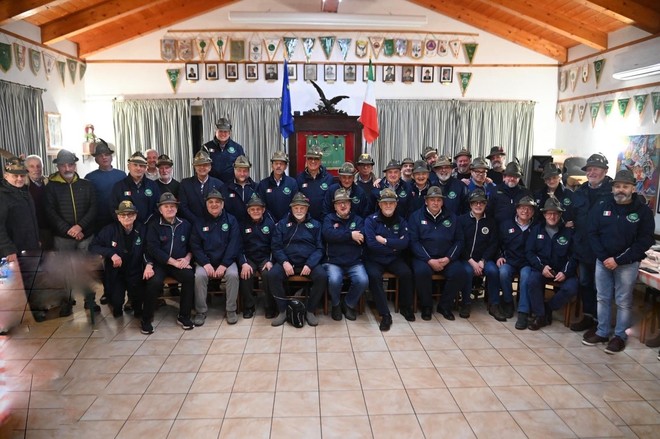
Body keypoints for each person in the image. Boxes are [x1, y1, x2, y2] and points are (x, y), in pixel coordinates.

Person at [583, 170, 654, 354]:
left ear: (633, 188)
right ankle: (602, 331)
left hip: (627, 264)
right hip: (603, 261)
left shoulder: (643, 211)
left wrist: (618, 260)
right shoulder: (602, 205)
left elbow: (645, 241)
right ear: (613, 188)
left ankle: (620, 337)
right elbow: (592, 232)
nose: (620, 190)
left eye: (625, 186)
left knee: (623, 301)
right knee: (602, 297)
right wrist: (605, 257)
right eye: (617, 186)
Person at [269, 193, 327, 327]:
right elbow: (276, 247)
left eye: (302, 208)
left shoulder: (316, 225)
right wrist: (284, 262)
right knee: (272, 275)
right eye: (296, 208)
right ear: (291, 209)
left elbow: (320, 248)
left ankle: (310, 310)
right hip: (288, 262)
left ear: (307, 209)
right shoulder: (282, 224)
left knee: (322, 276)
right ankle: (283, 310)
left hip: (308, 263)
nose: (299, 211)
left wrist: (310, 264)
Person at [570, 153, 613, 332]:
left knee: (601, 289)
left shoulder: (613, 191)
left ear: (605, 171)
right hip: (583, 248)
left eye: (596, 168)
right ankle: (588, 317)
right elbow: (572, 214)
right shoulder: (580, 191)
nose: (592, 172)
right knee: (585, 284)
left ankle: (600, 323)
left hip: (604, 250)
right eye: (589, 169)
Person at [409, 186, 466, 321]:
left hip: (446, 258)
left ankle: (444, 306)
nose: (435, 203)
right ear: (426, 201)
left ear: (442, 202)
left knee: (459, 273)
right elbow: (414, 242)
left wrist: (448, 258)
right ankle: (427, 306)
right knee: (422, 272)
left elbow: (459, 240)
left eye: (438, 200)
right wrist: (429, 260)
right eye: (432, 200)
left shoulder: (452, 217)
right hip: (423, 259)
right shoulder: (416, 217)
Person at [143, 192, 195, 334]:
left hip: (180, 262)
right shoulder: (154, 225)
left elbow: (193, 245)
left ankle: (184, 316)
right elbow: (152, 249)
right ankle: (146, 319)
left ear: (177, 208)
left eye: (172, 206)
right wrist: (172, 262)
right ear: (160, 209)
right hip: (160, 263)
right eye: (166, 206)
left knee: (189, 276)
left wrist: (187, 259)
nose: (170, 209)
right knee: (153, 282)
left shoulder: (186, 225)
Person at [364, 188, 414, 331]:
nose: (388, 206)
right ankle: (385, 314)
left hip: (393, 259)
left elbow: (405, 243)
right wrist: (394, 245)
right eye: (385, 203)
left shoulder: (402, 221)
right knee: (374, 276)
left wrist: (385, 241)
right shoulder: (371, 220)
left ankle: (405, 307)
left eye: (391, 203)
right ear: (379, 204)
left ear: (396, 204)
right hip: (374, 259)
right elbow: (372, 245)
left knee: (406, 273)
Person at [525, 198, 578, 330]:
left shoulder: (569, 233)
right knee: (532, 281)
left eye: (555, 213)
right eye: (549, 213)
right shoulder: (536, 230)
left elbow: (573, 256)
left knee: (572, 287)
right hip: (542, 268)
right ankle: (540, 316)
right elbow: (529, 252)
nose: (552, 216)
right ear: (544, 214)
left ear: (560, 215)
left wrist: (565, 272)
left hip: (562, 270)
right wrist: (541, 267)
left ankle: (548, 309)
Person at [190, 189, 241, 326]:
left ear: (223, 204)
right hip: (205, 261)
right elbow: (195, 246)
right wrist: (205, 263)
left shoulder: (231, 220)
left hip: (226, 261)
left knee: (233, 275)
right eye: (211, 202)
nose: (214, 205)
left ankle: (231, 309)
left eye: (217, 202)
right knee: (199, 276)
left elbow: (234, 244)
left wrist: (224, 264)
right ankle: (201, 311)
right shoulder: (199, 222)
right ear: (206, 204)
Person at [89, 201, 148, 318]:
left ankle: (135, 305)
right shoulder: (109, 230)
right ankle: (117, 305)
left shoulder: (142, 229)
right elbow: (93, 246)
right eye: (123, 215)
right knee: (116, 305)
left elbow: (150, 248)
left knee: (138, 308)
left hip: (135, 271)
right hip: (117, 272)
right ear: (118, 217)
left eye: (130, 214)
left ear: (135, 215)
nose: (126, 217)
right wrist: (111, 254)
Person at [322, 188, 368, 321]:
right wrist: (350, 235)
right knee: (335, 280)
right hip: (333, 262)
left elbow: (361, 238)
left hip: (354, 261)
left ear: (350, 204)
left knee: (363, 280)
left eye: (346, 203)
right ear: (335, 206)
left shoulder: (358, 220)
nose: (343, 205)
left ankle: (348, 303)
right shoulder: (328, 219)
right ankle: (336, 305)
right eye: (339, 203)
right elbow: (328, 235)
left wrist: (340, 238)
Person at [457, 189, 500, 319]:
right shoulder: (461, 220)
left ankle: (494, 304)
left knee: (493, 271)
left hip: (484, 260)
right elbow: (459, 243)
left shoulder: (491, 222)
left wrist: (483, 261)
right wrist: (471, 261)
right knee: (467, 272)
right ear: (470, 205)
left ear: (485, 205)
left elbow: (493, 244)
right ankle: (466, 303)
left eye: (481, 203)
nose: (478, 205)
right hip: (466, 259)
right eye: (475, 203)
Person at [45, 149, 97, 251]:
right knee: (64, 266)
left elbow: (93, 208)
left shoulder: (87, 185)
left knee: (87, 266)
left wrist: (80, 227)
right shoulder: (50, 187)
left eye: (70, 165)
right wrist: (69, 230)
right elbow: (50, 212)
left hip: (85, 236)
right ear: (58, 167)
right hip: (62, 238)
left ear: (75, 166)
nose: (67, 168)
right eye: (63, 165)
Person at [497, 195, 536, 325]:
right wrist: (499, 256)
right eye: (522, 208)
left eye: (529, 209)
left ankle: (523, 312)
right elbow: (498, 244)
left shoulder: (537, 227)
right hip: (509, 260)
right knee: (503, 272)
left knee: (526, 277)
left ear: (533, 212)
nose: (525, 211)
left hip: (527, 262)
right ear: (517, 209)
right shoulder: (506, 225)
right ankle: (508, 302)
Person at [239, 195, 276, 319]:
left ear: (263, 210)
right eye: (253, 209)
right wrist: (244, 263)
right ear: (248, 211)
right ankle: (249, 306)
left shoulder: (270, 224)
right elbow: (238, 247)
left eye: (258, 209)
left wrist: (270, 261)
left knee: (268, 274)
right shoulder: (242, 225)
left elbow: (275, 245)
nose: (256, 211)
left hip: (265, 258)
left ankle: (270, 306)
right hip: (249, 258)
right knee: (246, 274)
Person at [0, 157, 39, 261]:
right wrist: (8, 249)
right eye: (15, 176)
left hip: (29, 247)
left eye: (22, 175)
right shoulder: (2, 195)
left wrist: (36, 239)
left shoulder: (25, 191)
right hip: (12, 252)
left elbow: (32, 218)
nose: (20, 178)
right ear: (6, 176)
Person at [84, 139, 127, 232]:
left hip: (120, 218)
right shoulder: (90, 177)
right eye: (100, 156)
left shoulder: (122, 175)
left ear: (111, 157)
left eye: (107, 155)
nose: (104, 158)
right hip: (99, 220)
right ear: (96, 160)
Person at [179, 149, 226, 226]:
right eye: (199, 165)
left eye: (205, 165)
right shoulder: (185, 184)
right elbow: (183, 207)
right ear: (194, 167)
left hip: (213, 225)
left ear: (210, 167)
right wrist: (196, 221)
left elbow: (222, 207)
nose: (202, 167)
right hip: (192, 225)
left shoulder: (219, 184)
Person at [112, 152, 161, 225]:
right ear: (128, 167)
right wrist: (127, 224)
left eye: (141, 166)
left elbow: (158, 208)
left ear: (145, 168)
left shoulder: (153, 185)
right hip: (126, 228)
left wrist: (149, 224)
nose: (138, 168)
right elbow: (113, 209)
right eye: (135, 165)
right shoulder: (119, 186)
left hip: (149, 227)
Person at [256, 151, 298, 222]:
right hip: (269, 223)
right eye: (276, 163)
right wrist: (272, 221)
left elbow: (294, 204)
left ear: (285, 166)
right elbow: (262, 206)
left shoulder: (292, 183)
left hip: (288, 223)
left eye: (281, 164)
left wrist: (283, 222)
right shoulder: (263, 184)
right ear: (272, 165)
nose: (278, 166)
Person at [296, 146, 334, 221]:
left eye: (316, 158)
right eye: (310, 158)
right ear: (306, 160)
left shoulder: (329, 178)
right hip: (305, 221)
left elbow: (332, 202)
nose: (313, 161)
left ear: (320, 161)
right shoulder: (299, 178)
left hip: (324, 221)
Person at [204, 117, 245, 184]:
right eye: (220, 131)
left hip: (231, 185)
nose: (223, 134)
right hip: (211, 185)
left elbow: (243, 168)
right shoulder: (206, 147)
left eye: (225, 131)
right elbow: (201, 168)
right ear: (216, 131)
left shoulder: (238, 148)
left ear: (229, 133)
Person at [25, 155, 52, 250]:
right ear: (26, 169)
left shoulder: (48, 183)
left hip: (49, 229)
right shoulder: (23, 186)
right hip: (32, 231)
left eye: (38, 166)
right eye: (31, 166)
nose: (36, 169)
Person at [224, 155, 258, 225]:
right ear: (234, 170)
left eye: (245, 171)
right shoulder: (225, 188)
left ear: (249, 171)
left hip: (252, 227)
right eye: (239, 170)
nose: (242, 174)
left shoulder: (257, 187)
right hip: (231, 227)